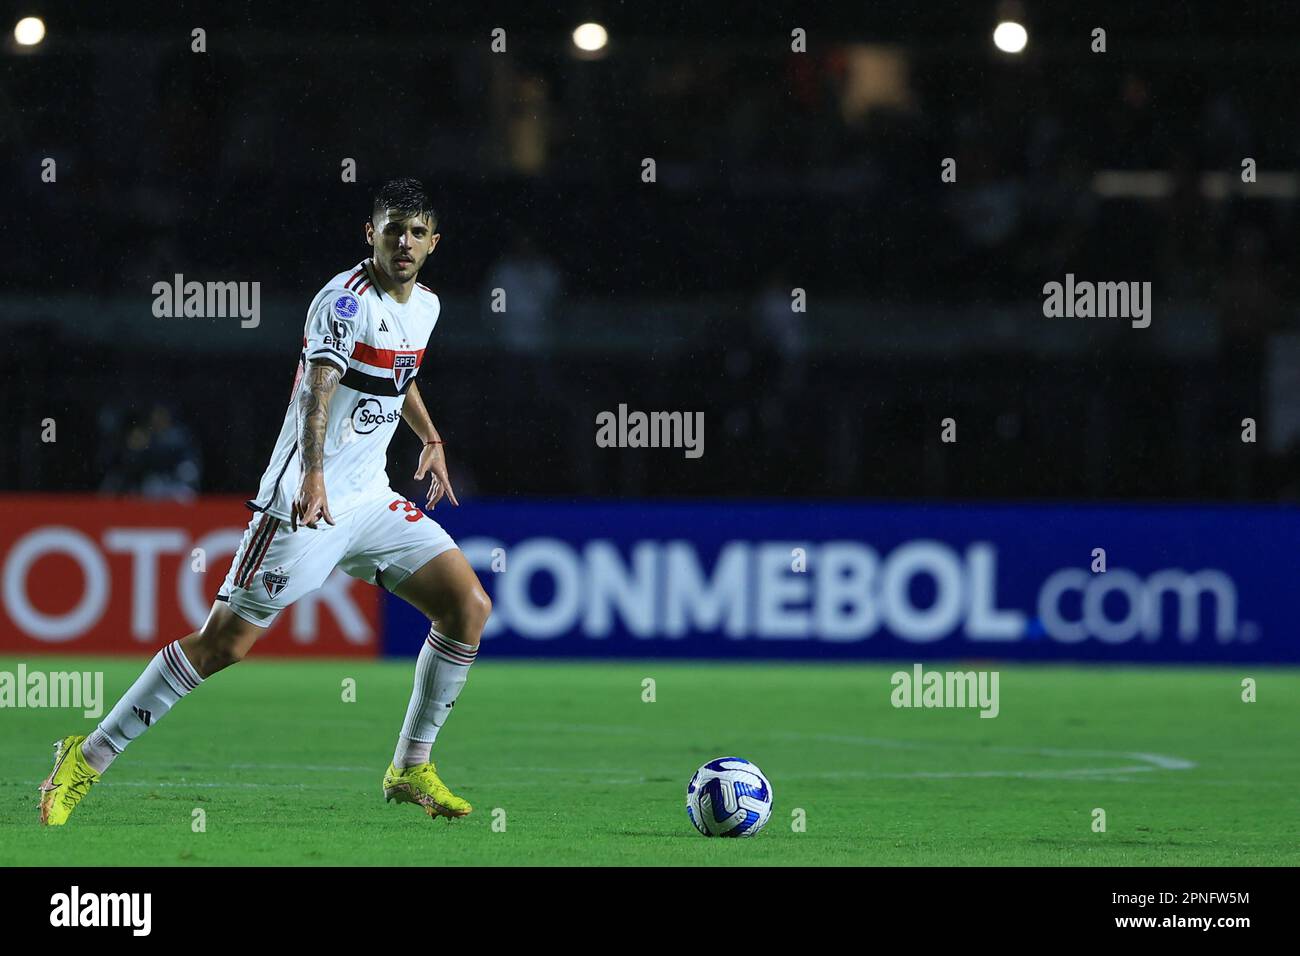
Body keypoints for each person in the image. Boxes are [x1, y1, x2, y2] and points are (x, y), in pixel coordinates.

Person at [39, 178, 491, 825]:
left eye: (417, 231)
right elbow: (318, 389)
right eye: (392, 227)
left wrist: (431, 436)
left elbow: (401, 372)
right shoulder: (342, 302)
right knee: (224, 644)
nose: (404, 242)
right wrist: (311, 475)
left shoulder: (426, 306)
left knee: (467, 606)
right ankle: (87, 754)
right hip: (303, 502)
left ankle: (410, 766)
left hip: (369, 499)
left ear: (433, 242)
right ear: (371, 232)